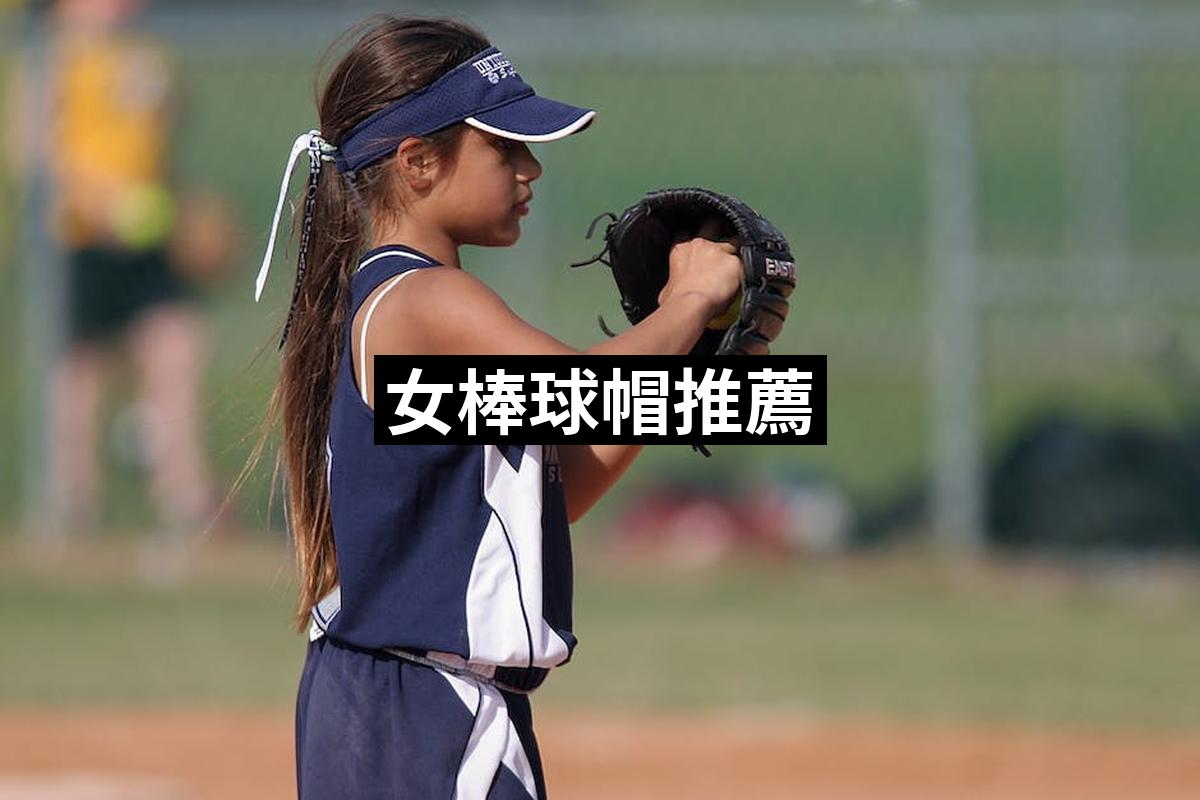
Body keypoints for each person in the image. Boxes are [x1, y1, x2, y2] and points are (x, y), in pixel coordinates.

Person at [249, 16, 741, 799]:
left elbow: (557, 486)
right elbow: (583, 398)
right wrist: (685, 304)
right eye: (503, 147)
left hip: (403, 709)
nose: (530, 169)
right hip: (425, 718)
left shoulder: (402, 302)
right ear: (416, 162)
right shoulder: (425, 299)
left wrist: (683, 363)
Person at [34, 0, 220, 560]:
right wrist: (106, 201)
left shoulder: (141, 55)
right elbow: (36, 152)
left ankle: (185, 501)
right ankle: (73, 505)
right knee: (79, 375)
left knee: (176, 348)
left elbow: (160, 140)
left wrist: (178, 205)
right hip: (80, 237)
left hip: (145, 238)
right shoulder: (52, 57)